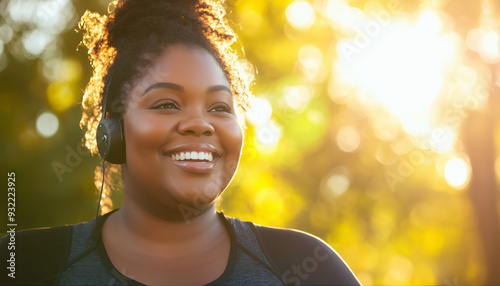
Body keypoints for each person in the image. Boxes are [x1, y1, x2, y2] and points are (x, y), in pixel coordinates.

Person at [1, 0, 361, 285]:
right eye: (167, 104)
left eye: (219, 107)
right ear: (112, 129)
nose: (199, 125)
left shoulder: (305, 268)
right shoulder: (25, 267)